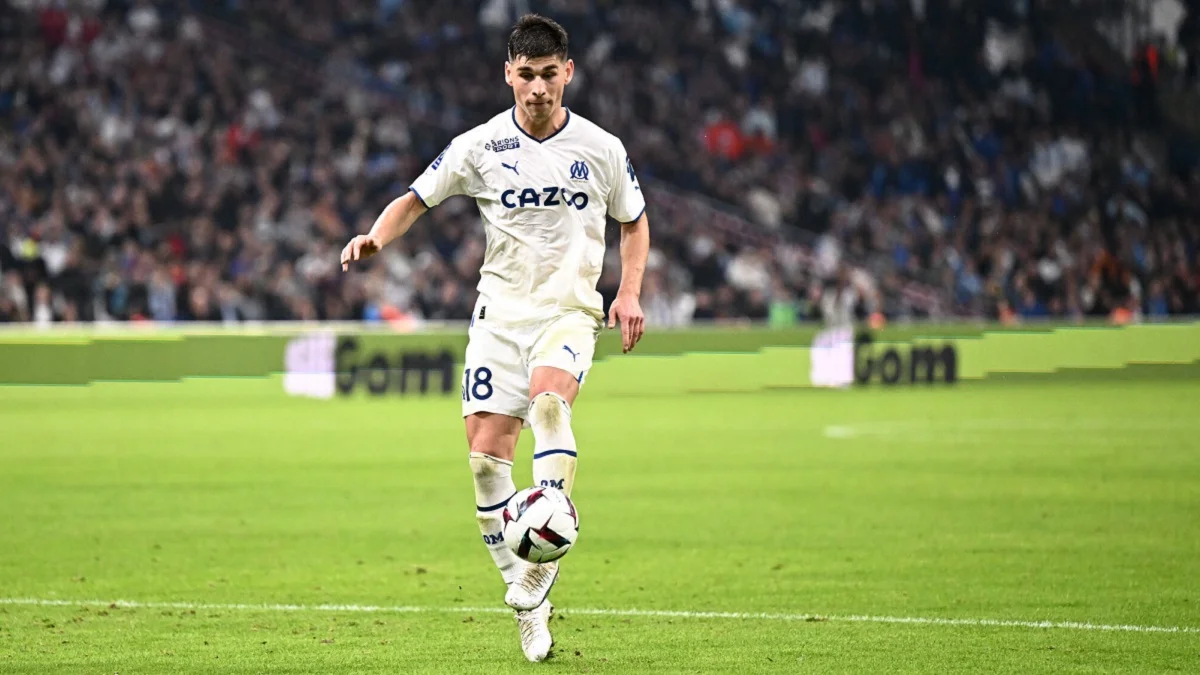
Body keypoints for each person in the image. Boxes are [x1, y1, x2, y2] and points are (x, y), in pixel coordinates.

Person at [339, 14, 650, 662]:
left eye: (549, 74)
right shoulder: (479, 146)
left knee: (549, 406)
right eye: (526, 74)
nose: (538, 88)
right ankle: (529, 602)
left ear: (568, 73)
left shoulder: (601, 148)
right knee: (485, 464)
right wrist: (375, 237)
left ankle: (543, 553)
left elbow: (634, 220)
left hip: (567, 312)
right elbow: (415, 199)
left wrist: (627, 292)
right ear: (508, 74)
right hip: (498, 319)